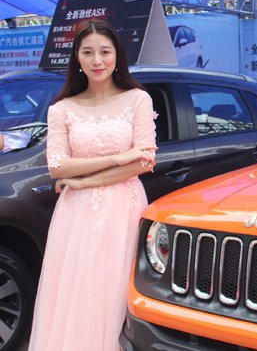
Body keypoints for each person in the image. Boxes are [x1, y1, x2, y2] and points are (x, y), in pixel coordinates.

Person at [29, 19, 157, 351]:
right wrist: (118, 158)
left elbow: (144, 161)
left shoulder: (137, 99)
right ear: (77, 58)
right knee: (78, 290)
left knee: (116, 291)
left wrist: (87, 180)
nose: (97, 60)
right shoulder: (62, 109)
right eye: (87, 52)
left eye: (104, 52)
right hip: (77, 213)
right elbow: (57, 165)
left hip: (123, 207)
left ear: (117, 56)